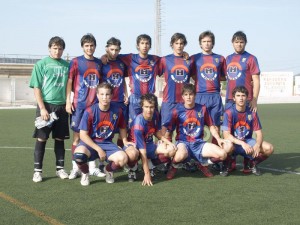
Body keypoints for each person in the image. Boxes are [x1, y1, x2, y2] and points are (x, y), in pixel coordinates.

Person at [164, 83, 233, 180]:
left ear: (195, 95)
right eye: (186, 95)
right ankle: (174, 166)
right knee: (180, 156)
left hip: (199, 144)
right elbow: (169, 130)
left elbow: (211, 126)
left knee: (222, 154)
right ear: (183, 96)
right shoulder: (176, 110)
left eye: (191, 94)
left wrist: (218, 139)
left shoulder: (202, 109)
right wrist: (168, 144)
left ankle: (203, 164)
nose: (188, 97)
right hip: (183, 143)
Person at [73, 82, 136, 186]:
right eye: (102, 94)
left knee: (123, 159)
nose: (104, 97)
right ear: (97, 95)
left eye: (107, 94)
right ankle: (85, 173)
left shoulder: (117, 110)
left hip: (107, 143)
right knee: (79, 155)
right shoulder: (90, 111)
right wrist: (98, 149)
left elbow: (123, 126)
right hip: (90, 143)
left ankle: (108, 170)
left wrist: (124, 140)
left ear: (111, 96)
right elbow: (83, 135)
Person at [30, 36, 70, 183]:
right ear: (49, 48)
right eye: (55, 48)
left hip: (62, 107)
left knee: (60, 139)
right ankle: (37, 171)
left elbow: (68, 86)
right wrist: (42, 108)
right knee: (42, 138)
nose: (57, 51)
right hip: (46, 106)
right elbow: (36, 87)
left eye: (60, 48)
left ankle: (60, 169)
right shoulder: (41, 64)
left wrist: (67, 103)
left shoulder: (67, 65)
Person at [66, 33, 104, 180]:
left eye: (92, 45)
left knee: (92, 137)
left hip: (94, 106)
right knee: (76, 138)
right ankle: (76, 168)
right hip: (79, 105)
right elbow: (69, 82)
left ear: (95, 46)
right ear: (82, 47)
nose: (89, 48)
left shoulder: (99, 63)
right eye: (87, 46)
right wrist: (68, 101)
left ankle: (92, 168)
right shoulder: (76, 62)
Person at [102, 37, 139, 181]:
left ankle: (123, 159)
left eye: (117, 50)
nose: (114, 52)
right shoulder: (102, 62)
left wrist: (126, 94)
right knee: (107, 132)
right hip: (108, 103)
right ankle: (102, 162)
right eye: (111, 49)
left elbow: (122, 80)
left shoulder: (121, 63)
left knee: (123, 132)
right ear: (107, 49)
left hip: (120, 103)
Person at [225, 31, 261, 171]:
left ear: (245, 43)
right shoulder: (227, 59)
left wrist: (255, 100)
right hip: (230, 99)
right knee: (230, 131)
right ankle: (231, 159)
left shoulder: (251, 58)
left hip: (246, 100)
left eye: (241, 42)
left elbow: (256, 80)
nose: (239, 44)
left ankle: (248, 158)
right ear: (232, 42)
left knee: (246, 129)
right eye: (236, 42)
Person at [222, 86, 274, 175]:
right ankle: (228, 163)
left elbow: (259, 133)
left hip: (248, 141)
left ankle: (252, 163)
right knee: (226, 147)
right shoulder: (228, 113)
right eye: (238, 96)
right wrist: (242, 143)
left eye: (243, 95)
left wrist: (257, 145)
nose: (241, 98)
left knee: (269, 148)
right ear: (234, 98)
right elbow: (226, 135)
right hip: (234, 143)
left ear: (247, 98)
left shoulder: (252, 112)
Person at [130, 93, 177, 186]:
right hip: (135, 146)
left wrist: (168, 142)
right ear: (142, 107)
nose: (149, 110)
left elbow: (156, 131)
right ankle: (133, 168)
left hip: (149, 144)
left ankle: (151, 163)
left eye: (151, 107)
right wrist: (146, 174)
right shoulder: (138, 124)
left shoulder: (155, 113)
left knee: (171, 150)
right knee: (132, 155)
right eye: (146, 107)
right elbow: (142, 152)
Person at [190, 30, 226, 146]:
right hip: (199, 96)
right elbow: (191, 74)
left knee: (216, 127)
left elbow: (224, 76)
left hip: (215, 96)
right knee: (198, 127)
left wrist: (211, 80)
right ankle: (198, 156)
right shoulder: (194, 58)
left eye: (209, 41)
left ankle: (215, 158)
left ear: (213, 43)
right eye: (204, 41)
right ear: (200, 43)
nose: (206, 44)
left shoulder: (220, 59)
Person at [160, 33, 192, 139]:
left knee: (183, 130)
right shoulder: (165, 60)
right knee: (165, 131)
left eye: (181, 43)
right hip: (169, 100)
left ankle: (181, 153)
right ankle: (164, 155)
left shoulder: (189, 60)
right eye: (176, 43)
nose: (179, 46)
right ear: (172, 44)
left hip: (184, 101)